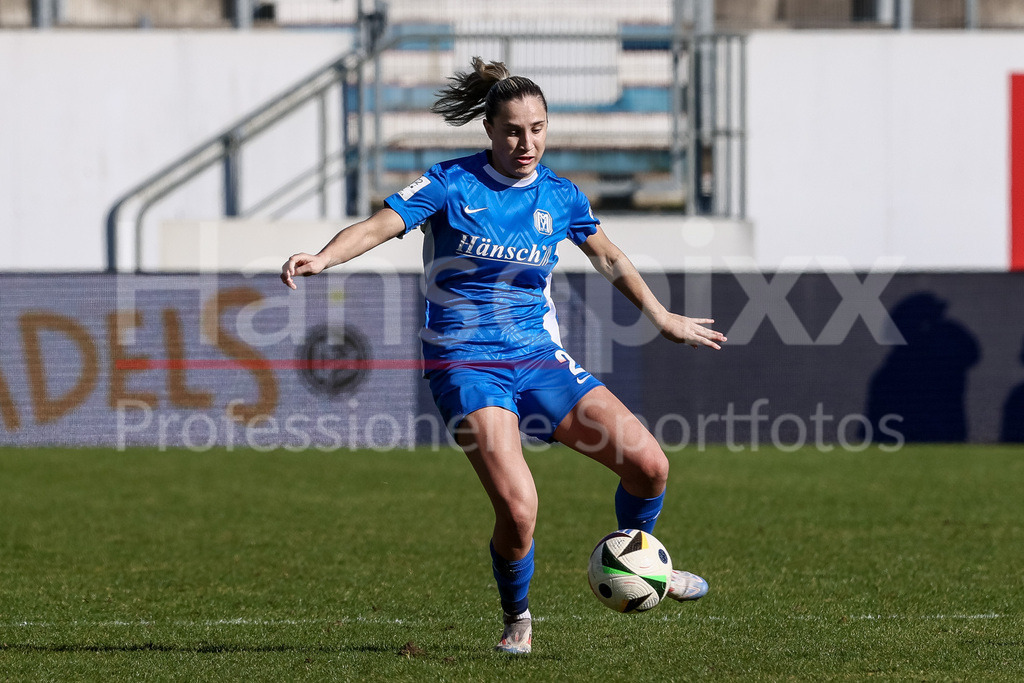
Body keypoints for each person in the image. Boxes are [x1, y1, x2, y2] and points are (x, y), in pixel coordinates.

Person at [281, 57, 727, 655]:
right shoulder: (449, 183)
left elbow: (611, 257)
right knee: (519, 509)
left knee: (650, 466)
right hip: (465, 366)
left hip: (540, 360)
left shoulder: (560, 195)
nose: (527, 142)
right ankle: (517, 618)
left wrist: (661, 315)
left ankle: (640, 557)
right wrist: (323, 257)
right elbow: (379, 226)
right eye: (514, 130)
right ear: (490, 130)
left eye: (537, 128)